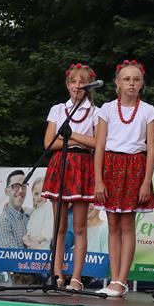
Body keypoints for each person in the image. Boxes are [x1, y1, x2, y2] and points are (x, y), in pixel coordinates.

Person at [94, 59, 154, 298]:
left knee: (128, 225)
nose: (131, 83)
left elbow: (152, 149)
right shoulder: (107, 109)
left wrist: (146, 182)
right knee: (113, 225)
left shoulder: (148, 110)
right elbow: (99, 146)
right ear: (117, 83)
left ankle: (122, 279)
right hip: (111, 167)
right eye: (126, 79)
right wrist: (98, 180)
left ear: (142, 83)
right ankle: (113, 278)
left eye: (136, 79)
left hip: (134, 167)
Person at [40, 62, 100, 289]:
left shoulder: (96, 112)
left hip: (83, 166)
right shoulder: (58, 109)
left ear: (89, 86)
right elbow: (49, 142)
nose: (77, 86)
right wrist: (78, 141)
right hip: (61, 164)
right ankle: (57, 274)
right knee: (60, 225)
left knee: (80, 227)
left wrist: (71, 136)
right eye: (73, 82)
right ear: (67, 85)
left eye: (82, 82)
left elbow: (97, 143)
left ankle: (76, 277)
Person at [0, 169, 30, 250]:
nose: (21, 190)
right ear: (6, 191)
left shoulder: (29, 217)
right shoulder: (3, 221)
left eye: (24, 186)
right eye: (15, 186)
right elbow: (11, 256)